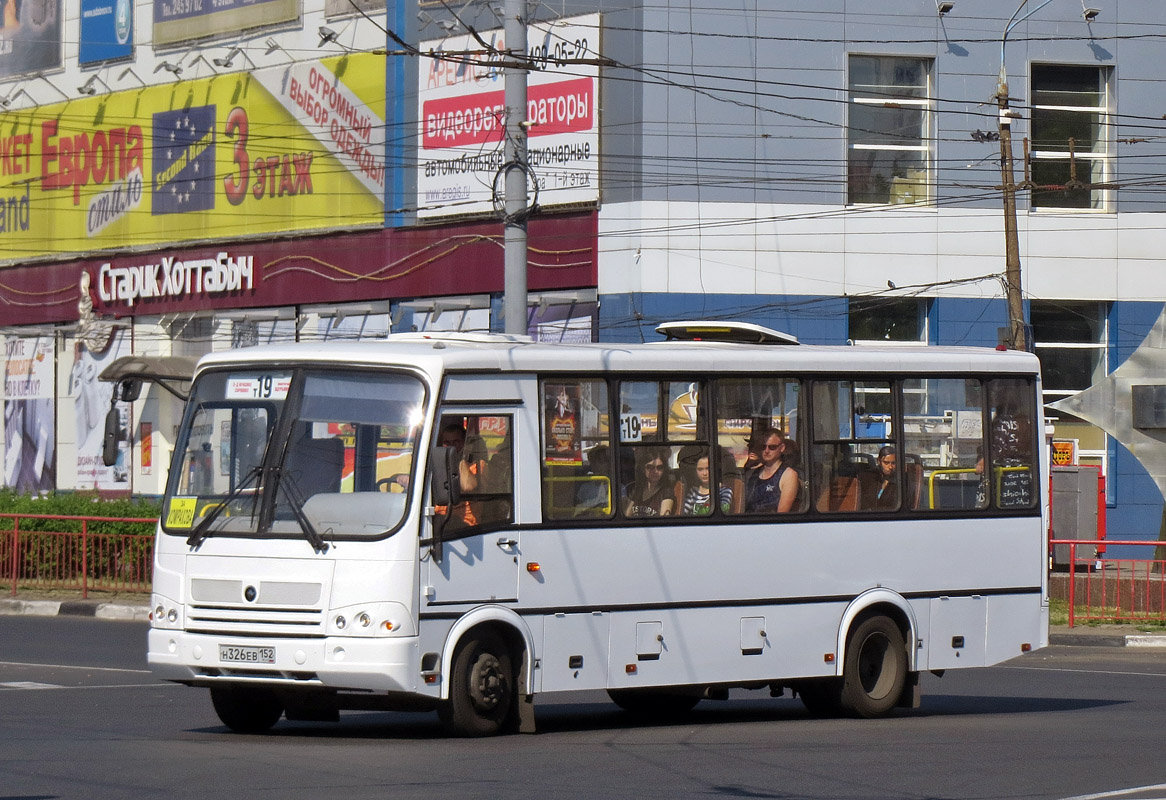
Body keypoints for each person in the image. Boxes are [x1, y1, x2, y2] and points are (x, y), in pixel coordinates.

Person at [744, 428, 799, 513]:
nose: (766, 451)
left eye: (772, 447)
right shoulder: (753, 474)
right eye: (763, 447)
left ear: (782, 448)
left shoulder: (788, 475)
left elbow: (782, 515)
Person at [625, 447, 675, 517]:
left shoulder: (666, 492)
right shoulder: (637, 490)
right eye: (650, 467)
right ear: (643, 469)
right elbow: (626, 515)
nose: (655, 472)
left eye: (659, 467)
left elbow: (664, 519)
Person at [873, 444, 898, 510]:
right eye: (886, 463)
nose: (890, 467)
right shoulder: (873, 478)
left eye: (893, 463)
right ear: (879, 461)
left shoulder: (899, 482)